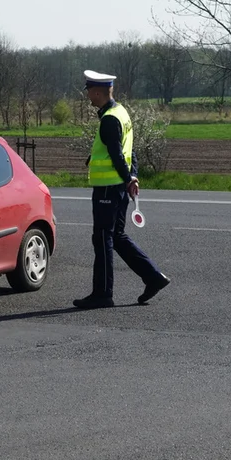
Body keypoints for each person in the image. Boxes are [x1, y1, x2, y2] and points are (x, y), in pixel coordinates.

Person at [74, 70, 171, 309]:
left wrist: (128, 178)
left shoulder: (109, 119)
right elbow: (131, 152)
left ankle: (102, 294)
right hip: (118, 186)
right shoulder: (121, 112)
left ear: (97, 91)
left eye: (89, 91)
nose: (88, 95)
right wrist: (132, 176)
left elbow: (118, 154)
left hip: (108, 188)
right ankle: (153, 277)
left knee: (103, 238)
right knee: (116, 236)